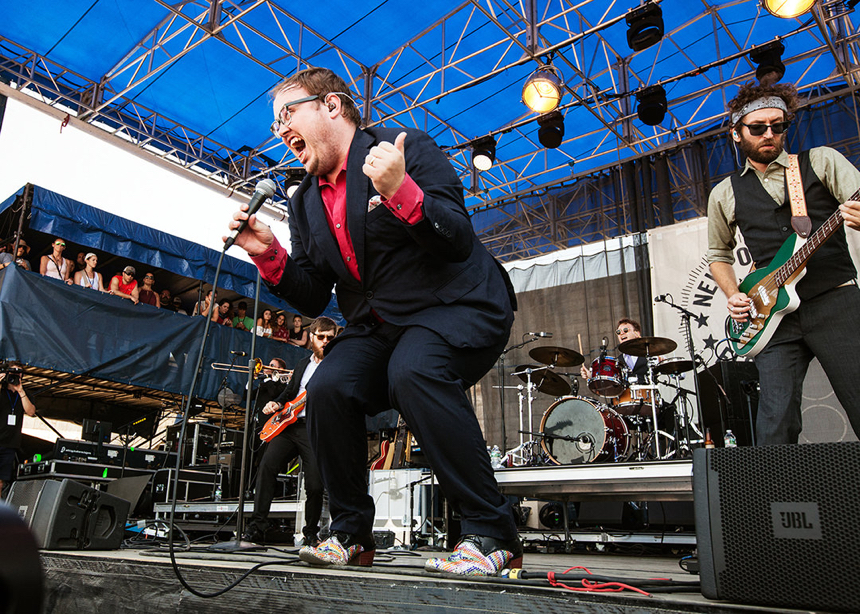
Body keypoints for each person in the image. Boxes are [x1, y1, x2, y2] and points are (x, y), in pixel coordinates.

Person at [227, 67, 519, 576]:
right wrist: (270, 254)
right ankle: (350, 535)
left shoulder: (402, 148)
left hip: (454, 303)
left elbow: (456, 239)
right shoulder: (303, 201)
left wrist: (402, 189)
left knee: (415, 370)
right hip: (379, 324)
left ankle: (492, 535)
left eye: (287, 115)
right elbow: (316, 291)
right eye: (275, 127)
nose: (280, 131)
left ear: (332, 107)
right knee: (329, 387)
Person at [707, 76, 860, 446]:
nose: (769, 134)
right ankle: (776, 502)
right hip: (774, 317)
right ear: (736, 134)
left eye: (778, 126)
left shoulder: (821, 160)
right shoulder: (724, 193)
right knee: (774, 423)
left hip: (835, 301)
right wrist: (733, 294)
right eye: (757, 128)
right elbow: (718, 255)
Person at [244, 318, 335, 546]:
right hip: (290, 425)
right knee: (266, 467)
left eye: (330, 338)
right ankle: (258, 526)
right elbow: (290, 393)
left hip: (315, 429)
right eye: (321, 336)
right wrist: (275, 403)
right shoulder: (303, 363)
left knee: (314, 484)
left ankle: (311, 533)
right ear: (311, 336)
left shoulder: (335, 365)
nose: (325, 341)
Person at [0, 364, 36, 497]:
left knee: (1, 481)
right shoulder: (2, 391)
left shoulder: (25, 394)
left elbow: (31, 412)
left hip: (10, 444)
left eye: (18, 373)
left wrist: (21, 391)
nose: (15, 375)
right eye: (12, 372)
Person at [579, 318, 649, 383]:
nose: (621, 333)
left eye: (625, 330)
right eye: (618, 332)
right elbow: (609, 381)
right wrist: (591, 375)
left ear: (637, 333)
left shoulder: (648, 354)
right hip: (625, 396)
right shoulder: (618, 361)